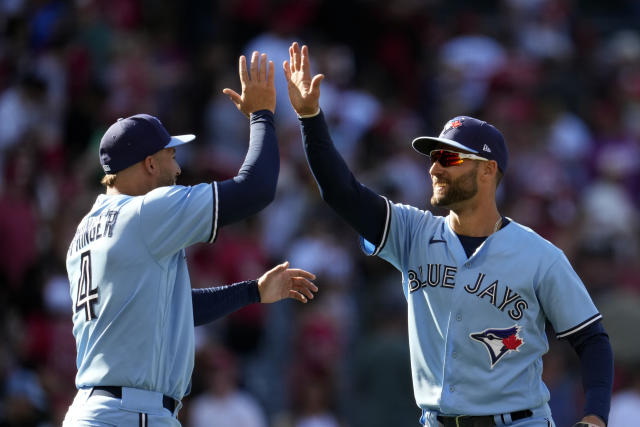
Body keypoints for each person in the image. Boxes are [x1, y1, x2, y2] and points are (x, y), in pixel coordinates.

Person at [283, 42, 613, 427]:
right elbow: (342, 192)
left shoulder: (540, 255)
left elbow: (591, 339)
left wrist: (595, 417)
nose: (435, 168)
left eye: (451, 158)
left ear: (489, 170)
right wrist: (310, 117)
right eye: (434, 157)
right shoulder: (412, 231)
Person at [63, 51, 318, 426]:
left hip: (95, 411)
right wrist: (262, 115)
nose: (179, 167)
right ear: (150, 164)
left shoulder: (85, 231)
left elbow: (170, 310)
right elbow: (256, 190)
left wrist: (253, 292)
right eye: (170, 155)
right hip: (131, 413)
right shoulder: (146, 212)